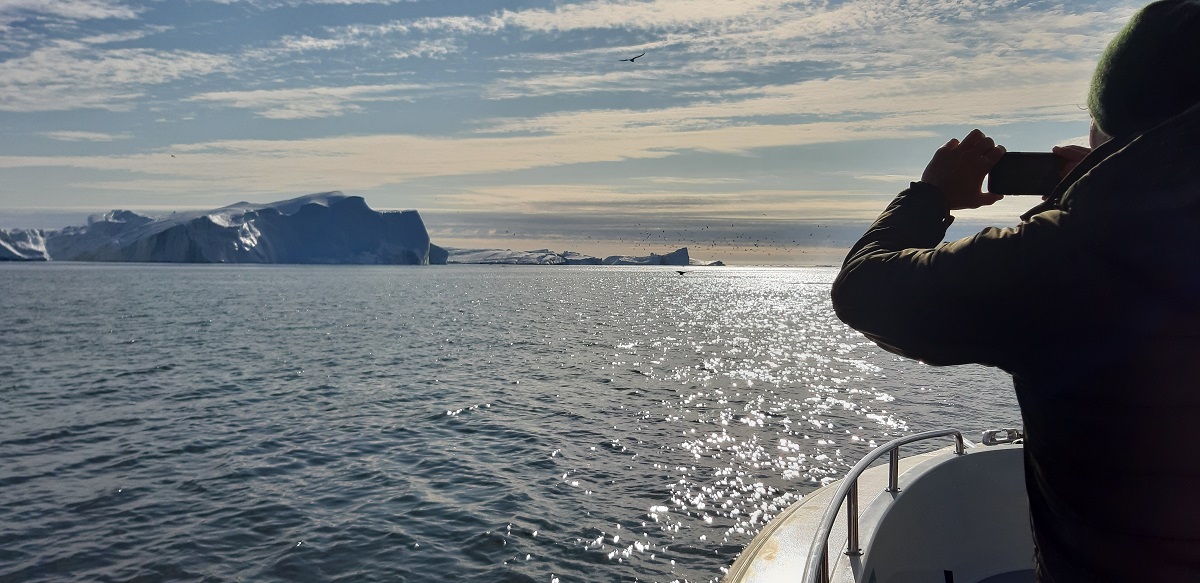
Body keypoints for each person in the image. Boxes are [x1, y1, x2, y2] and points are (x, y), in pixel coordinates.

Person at [829, 1, 1200, 580]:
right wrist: (1103, 188)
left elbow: (867, 288)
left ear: (1117, 122)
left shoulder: (1078, 254)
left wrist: (929, 199)